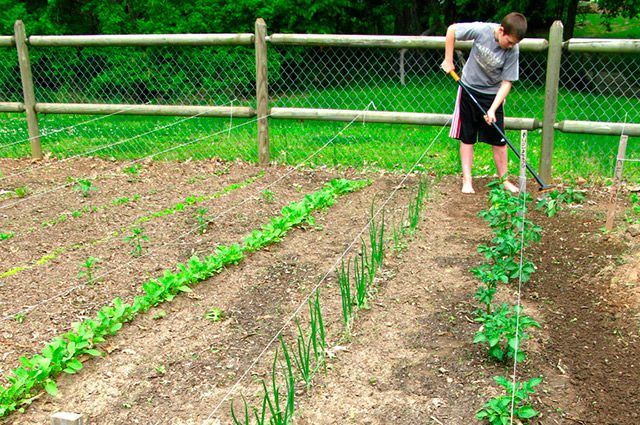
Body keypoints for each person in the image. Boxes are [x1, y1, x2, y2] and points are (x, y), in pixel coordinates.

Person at [441, 12, 527, 194]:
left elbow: (507, 83)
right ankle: (467, 181)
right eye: (509, 41)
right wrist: (448, 60)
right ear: (501, 31)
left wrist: (493, 109)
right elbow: (452, 30)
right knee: (467, 137)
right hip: (468, 88)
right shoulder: (482, 30)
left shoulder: (513, 50)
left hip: (492, 95)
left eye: (514, 44)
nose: (511, 46)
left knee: (499, 141)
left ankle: (504, 180)